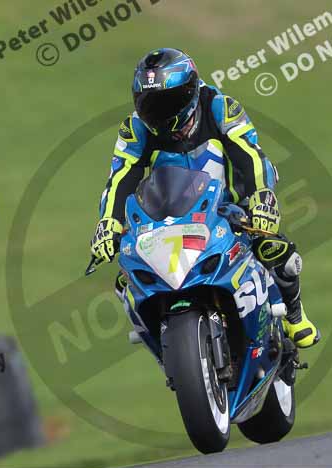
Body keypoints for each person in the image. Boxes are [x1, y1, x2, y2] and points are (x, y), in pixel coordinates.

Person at [90, 48, 320, 348]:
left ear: (190, 91)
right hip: (169, 217)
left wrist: (262, 197)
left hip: (230, 209)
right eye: (149, 104)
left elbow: (251, 156)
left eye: (168, 101)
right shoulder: (135, 129)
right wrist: (109, 222)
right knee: (127, 280)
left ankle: (294, 313)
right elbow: (120, 177)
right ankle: (165, 344)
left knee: (277, 252)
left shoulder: (220, 107)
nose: (159, 113)